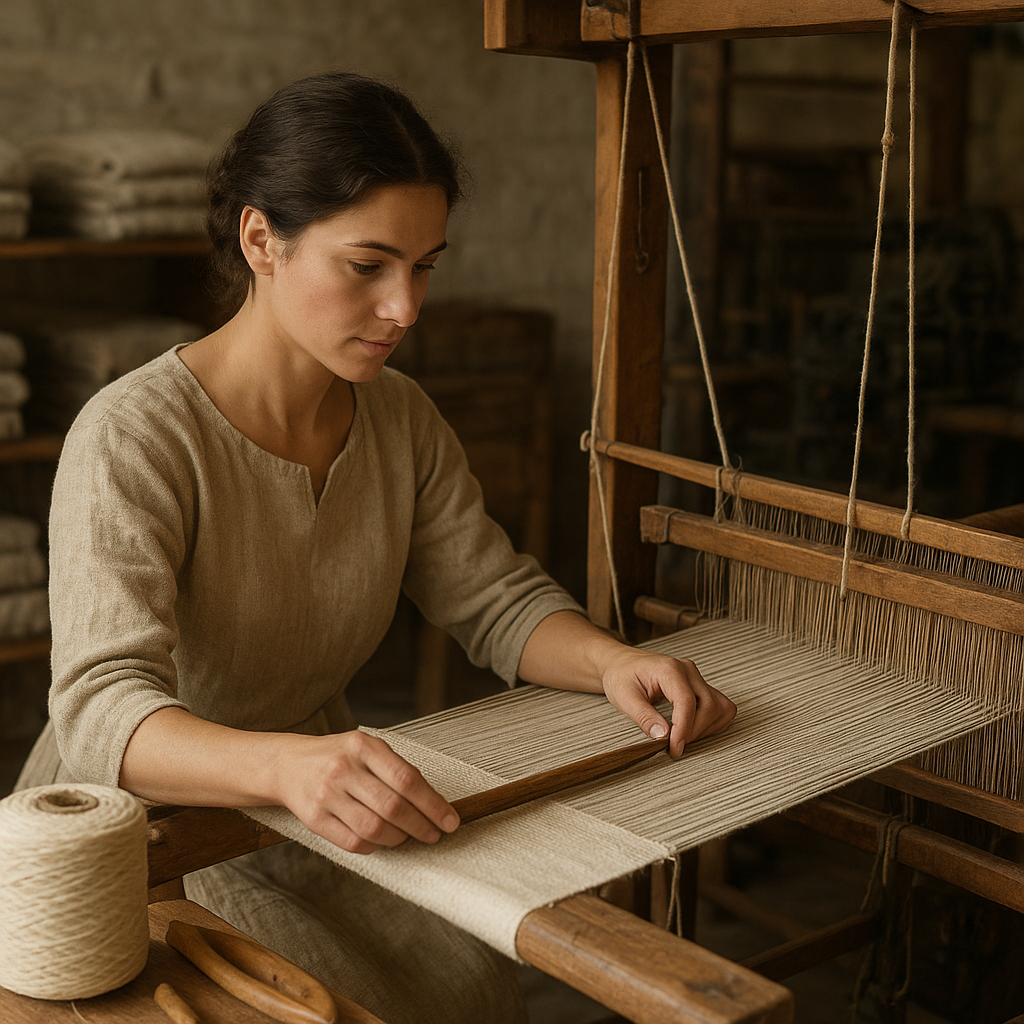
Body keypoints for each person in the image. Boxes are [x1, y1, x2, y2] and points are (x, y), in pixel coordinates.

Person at [17, 72, 736, 1023]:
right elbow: (103, 715)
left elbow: (494, 598)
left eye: (426, 264)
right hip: (134, 837)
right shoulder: (136, 436)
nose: (406, 306)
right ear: (260, 239)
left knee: (474, 986)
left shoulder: (400, 419)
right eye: (368, 265)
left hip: (307, 802)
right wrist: (285, 767)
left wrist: (613, 662)